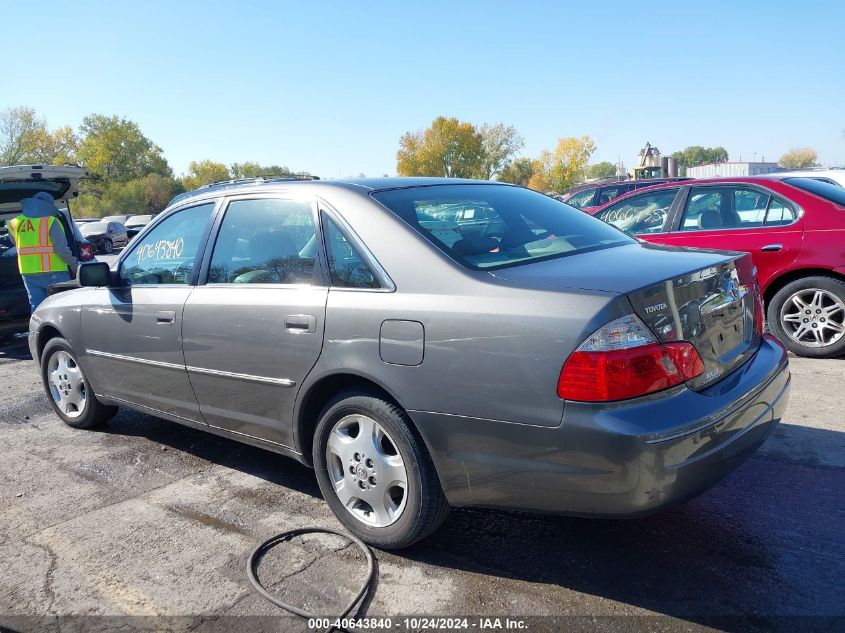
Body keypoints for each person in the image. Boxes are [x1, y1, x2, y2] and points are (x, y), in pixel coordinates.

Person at [7, 192, 78, 313]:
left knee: (37, 307)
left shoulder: (14, 223)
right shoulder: (51, 221)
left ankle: (39, 330)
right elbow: (61, 249)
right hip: (54, 271)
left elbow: (16, 243)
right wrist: (74, 265)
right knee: (60, 307)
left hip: (28, 272)